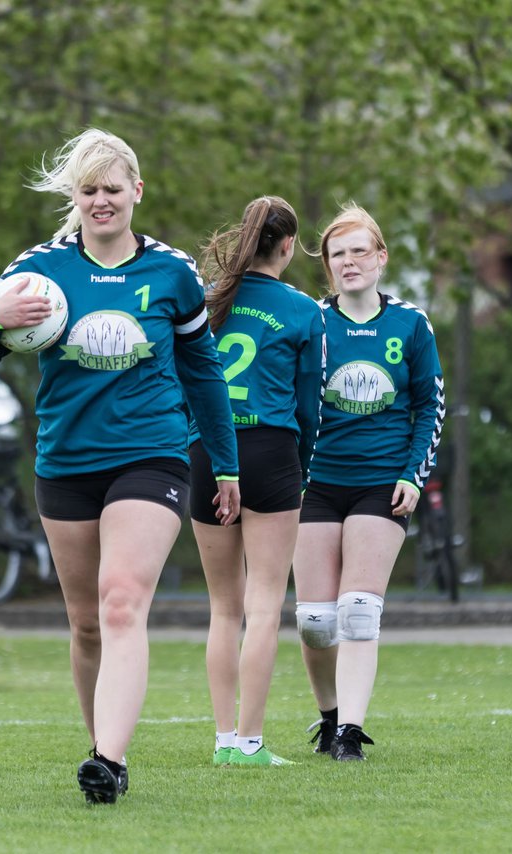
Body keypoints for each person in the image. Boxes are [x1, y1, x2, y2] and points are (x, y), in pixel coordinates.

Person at [0, 128, 240, 803]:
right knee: (85, 620)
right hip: (66, 460)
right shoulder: (39, 269)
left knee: (121, 601)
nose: (102, 201)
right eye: (89, 191)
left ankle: (110, 762)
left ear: (137, 191)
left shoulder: (171, 273)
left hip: (153, 456)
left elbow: (204, 377)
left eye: (114, 189)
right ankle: (98, 752)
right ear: (74, 198)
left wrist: (223, 465)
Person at [292, 203, 444, 761]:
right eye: (338, 254)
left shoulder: (411, 324)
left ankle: (351, 733)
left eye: (360, 250)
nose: (350, 262)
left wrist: (413, 474)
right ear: (327, 266)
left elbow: (431, 404)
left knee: (358, 609)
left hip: (381, 484)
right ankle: (329, 716)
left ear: (381, 257)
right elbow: (285, 398)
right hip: (315, 485)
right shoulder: (311, 321)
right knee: (314, 622)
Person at [189, 196, 325, 767]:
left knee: (224, 607)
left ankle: (224, 742)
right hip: (271, 451)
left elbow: (185, 378)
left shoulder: (208, 299)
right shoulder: (302, 310)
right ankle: (249, 743)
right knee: (266, 604)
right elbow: (310, 406)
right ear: (288, 246)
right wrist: (303, 464)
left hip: (206, 450)